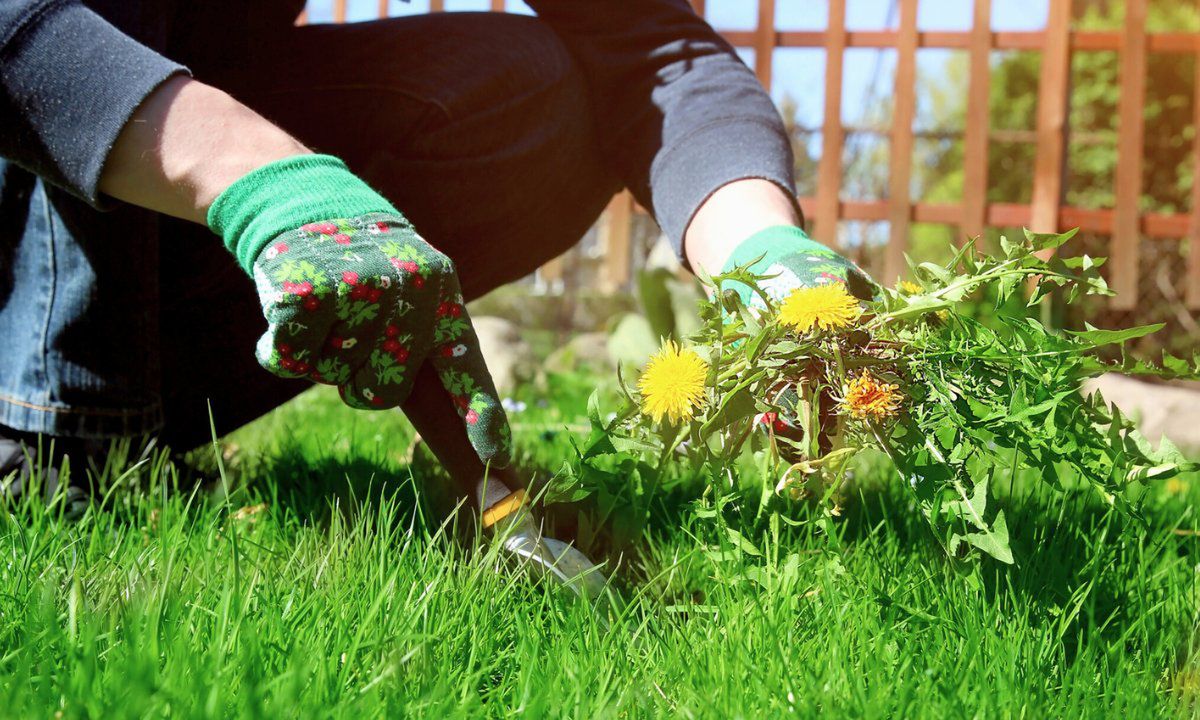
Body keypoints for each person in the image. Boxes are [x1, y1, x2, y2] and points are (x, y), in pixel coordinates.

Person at [0, 0, 868, 524]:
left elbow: (652, 50)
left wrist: (766, 261)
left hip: (154, 223)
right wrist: (266, 186)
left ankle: (126, 423)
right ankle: (56, 440)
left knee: (536, 96)